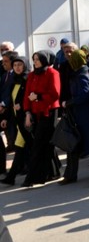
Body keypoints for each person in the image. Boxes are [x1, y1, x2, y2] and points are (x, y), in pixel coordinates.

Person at [22, 51, 62, 187]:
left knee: (39, 144)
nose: (35, 62)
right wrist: (27, 112)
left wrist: (39, 97)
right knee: (45, 143)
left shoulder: (52, 73)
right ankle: (53, 172)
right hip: (35, 113)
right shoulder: (32, 75)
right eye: (34, 59)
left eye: (38, 59)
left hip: (49, 112)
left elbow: (55, 93)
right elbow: (27, 95)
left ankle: (33, 178)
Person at [59, 49, 89, 185]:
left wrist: (69, 103)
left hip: (83, 115)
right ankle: (70, 174)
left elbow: (84, 95)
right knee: (77, 144)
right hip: (80, 114)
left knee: (81, 143)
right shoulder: (81, 72)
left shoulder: (82, 73)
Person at [1, 57, 30, 186]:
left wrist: (23, 107)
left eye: (20, 65)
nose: (17, 67)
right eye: (15, 65)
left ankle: (15, 177)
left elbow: (29, 99)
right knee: (20, 149)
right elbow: (12, 102)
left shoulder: (27, 79)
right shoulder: (15, 81)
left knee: (27, 148)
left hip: (26, 120)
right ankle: (11, 177)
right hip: (18, 120)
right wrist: (5, 118)